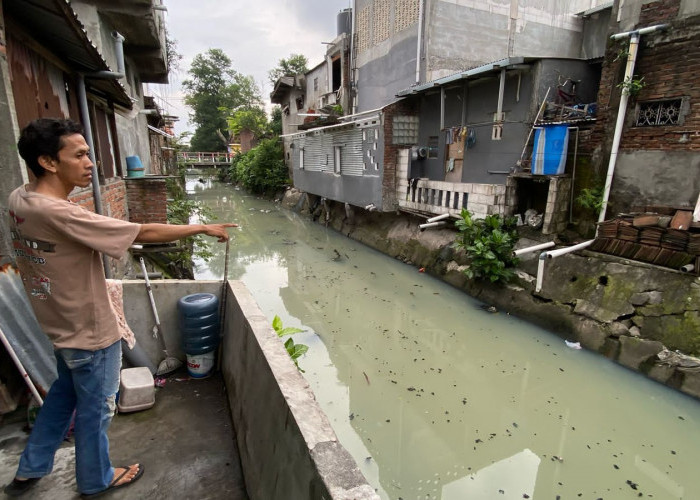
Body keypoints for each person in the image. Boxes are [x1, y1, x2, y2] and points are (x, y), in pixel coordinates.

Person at [3, 118, 236, 497]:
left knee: (63, 396)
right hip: (91, 331)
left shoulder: (20, 199)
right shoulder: (60, 213)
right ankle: (97, 479)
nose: (90, 163)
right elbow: (140, 233)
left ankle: (31, 467)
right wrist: (201, 227)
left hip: (59, 327)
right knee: (98, 410)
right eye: (78, 155)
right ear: (48, 162)